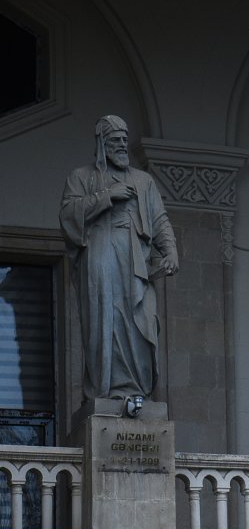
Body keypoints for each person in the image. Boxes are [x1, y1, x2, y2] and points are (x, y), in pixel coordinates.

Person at [59, 115, 178, 402]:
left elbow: (159, 218)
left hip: (135, 258)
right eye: (115, 141)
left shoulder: (143, 181)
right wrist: (106, 197)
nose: (122, 145)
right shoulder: (82, 177)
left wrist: (170, 249)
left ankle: (135, 390)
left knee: (141, 320)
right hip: (100, 256)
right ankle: (106, 391)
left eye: (125, 140)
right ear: (102, 144)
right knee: (105, 320)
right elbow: (67, 216)